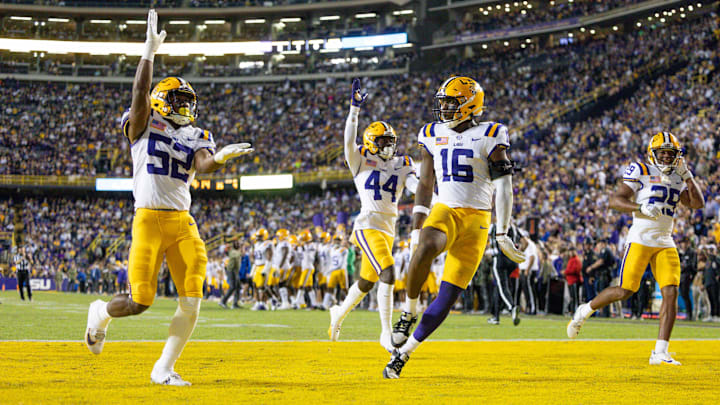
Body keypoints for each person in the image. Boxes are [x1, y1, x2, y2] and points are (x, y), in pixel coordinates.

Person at [83, 9, 254, 386]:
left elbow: (203, 164)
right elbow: (139, 93)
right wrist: (148, 52)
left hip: (181, 222)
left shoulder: (197, 134)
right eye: (178, 100)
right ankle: (100, 313)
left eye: (187, 101)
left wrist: (219, 156)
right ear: (162, 101)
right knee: (139, 302)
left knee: (192, 297)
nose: (186, 107)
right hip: (147, 219)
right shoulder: (143, 122)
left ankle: (163, 368)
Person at [384, 76, 525, 378]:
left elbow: (505, 185)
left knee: (447, 297)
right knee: (425, 247)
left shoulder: (491, 133)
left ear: (469, 103)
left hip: (478, 220)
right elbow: (425, 181)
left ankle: (403, 355)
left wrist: (503, 231)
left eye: (451, 101)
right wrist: (418, 220)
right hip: (446, 208)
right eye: (444, 102)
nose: (445, 108)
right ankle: (408, 311)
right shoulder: (431, 133)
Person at [567, 132, 705, 365]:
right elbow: (615, 200)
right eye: (662, 153)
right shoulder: (640, 169)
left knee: (671, 291)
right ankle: (585, 309)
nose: (666, 157)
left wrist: (689, 176)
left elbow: (697, 204)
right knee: (625, 290)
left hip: (664, 241)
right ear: (652, 153)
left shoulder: (679, 176)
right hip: (640, 238)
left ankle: (660, 351)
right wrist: (641, 208)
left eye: (670, 154)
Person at [328, 79, 418, 352]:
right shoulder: (359, 159)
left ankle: (338, 314)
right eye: (383, 141)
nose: (389, 146)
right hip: (368, 225)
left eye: (391, 141)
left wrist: (432, 200)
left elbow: (413, 186)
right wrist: (354, 110)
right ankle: (385, 333)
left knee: (367, 281)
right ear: (370, 142)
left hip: (388, 228)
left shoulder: (404, 163)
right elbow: (348, 140)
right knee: (388, 272)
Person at [487, 221, 522, 325]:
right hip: (512, 260)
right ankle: (495, 316)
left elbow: (487, 239)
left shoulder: (494, 226)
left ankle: (512, 308)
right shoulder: (513, 227)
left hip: (499, 259)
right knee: (499, 287)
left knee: (502, 286)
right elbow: (521, 241)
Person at [219, 240, 243, 309]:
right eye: (236, 244)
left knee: (238, 286)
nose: (238, 245)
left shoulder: (235, 251)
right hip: (231, 270)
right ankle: (223, 301)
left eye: (238, 244)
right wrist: (241, 249)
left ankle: (235, 303)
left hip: (235, 271)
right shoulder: (233, 252)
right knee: (232, 287)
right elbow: (238, 255)